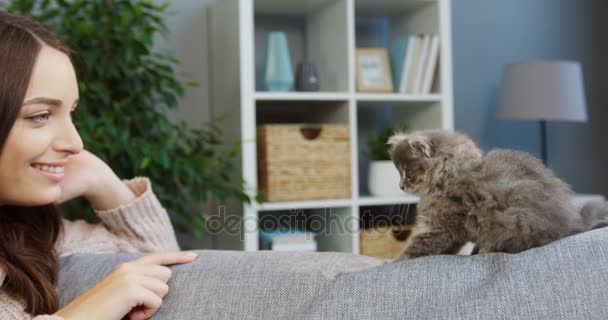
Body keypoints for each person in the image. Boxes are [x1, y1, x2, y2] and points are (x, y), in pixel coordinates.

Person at [0, 12, 197, 320]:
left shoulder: (27, 235)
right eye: (40, 115)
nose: (75, 142)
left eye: (71, 112)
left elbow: (157, 264)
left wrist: (103, 182)